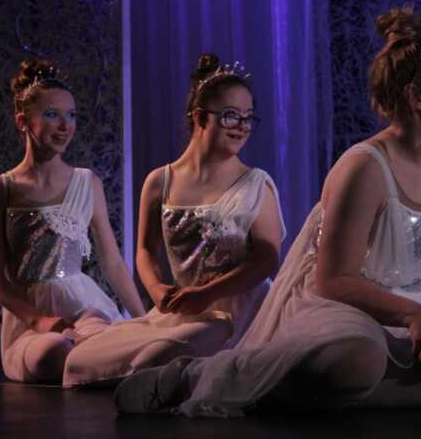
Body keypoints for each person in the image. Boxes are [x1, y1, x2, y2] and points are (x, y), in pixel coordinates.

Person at [114, 7, 421, 417]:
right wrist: (413, 314)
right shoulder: (364, 167)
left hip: (407, 310)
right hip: (338, 305)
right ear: (416, 97)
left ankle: (313, 395)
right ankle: (202, 377)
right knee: (359, 361)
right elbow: (332, 280)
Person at [62, 53, 286, 388]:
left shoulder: (256, 184)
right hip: (183, 307)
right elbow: (145, 251)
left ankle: (168, 380)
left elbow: (267, 259)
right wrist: (157, 289)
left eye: (248, 118)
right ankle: (165, 377)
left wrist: (208, 293)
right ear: (200, 117)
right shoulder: (160, 181)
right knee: (79, 362)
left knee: (161, 356)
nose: (242, 126)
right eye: (230, 116)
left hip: (238, 311)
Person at [0, 59, 146, 384]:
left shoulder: (87, 183)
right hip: (31, 319)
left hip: (82, 305)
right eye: (52, 114)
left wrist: (143, 318)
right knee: (53, 351)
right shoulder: (2, 188)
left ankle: (107, 360)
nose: (64, 125)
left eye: (71, 115)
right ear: (23, 121)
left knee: (101, 341)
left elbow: (111, 262)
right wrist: (38, 319)